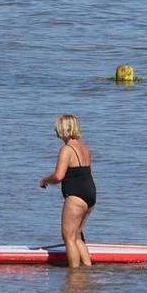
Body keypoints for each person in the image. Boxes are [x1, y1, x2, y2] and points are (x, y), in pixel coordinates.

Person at [38, 113, 94, 268]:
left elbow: (58, 176)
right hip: (90, 194)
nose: (55, 131)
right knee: (77, 236)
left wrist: (45, 180)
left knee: (68, 238)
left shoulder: (66, 149)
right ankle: (87, 269)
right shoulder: (84, 147)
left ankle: (74, 274)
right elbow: (89, 173)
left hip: (76, 196)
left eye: (57, 128)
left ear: (63, 129)